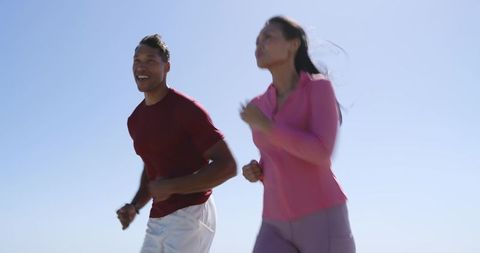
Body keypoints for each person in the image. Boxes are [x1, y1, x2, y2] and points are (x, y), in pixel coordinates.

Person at [240, 16, 355, 253]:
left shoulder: (319, 88)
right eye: (256, 41)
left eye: (268, 38)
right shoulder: (258, 105)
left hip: (322, 218)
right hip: (273, 222)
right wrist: (258, 170)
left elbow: (321, 152)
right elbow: (277, 154)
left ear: (293, 45)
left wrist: (268, 127)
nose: (258, 45)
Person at [117, 34, 237, 253]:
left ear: (167, 67)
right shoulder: (134, 120)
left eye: (150, 60)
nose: (141, 67)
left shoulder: (186, 109)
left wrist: (172, 186)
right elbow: (153, 167)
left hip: (193, 213)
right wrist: (135, 205)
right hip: (158, 218)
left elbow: (227, 166)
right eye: (137, 60)